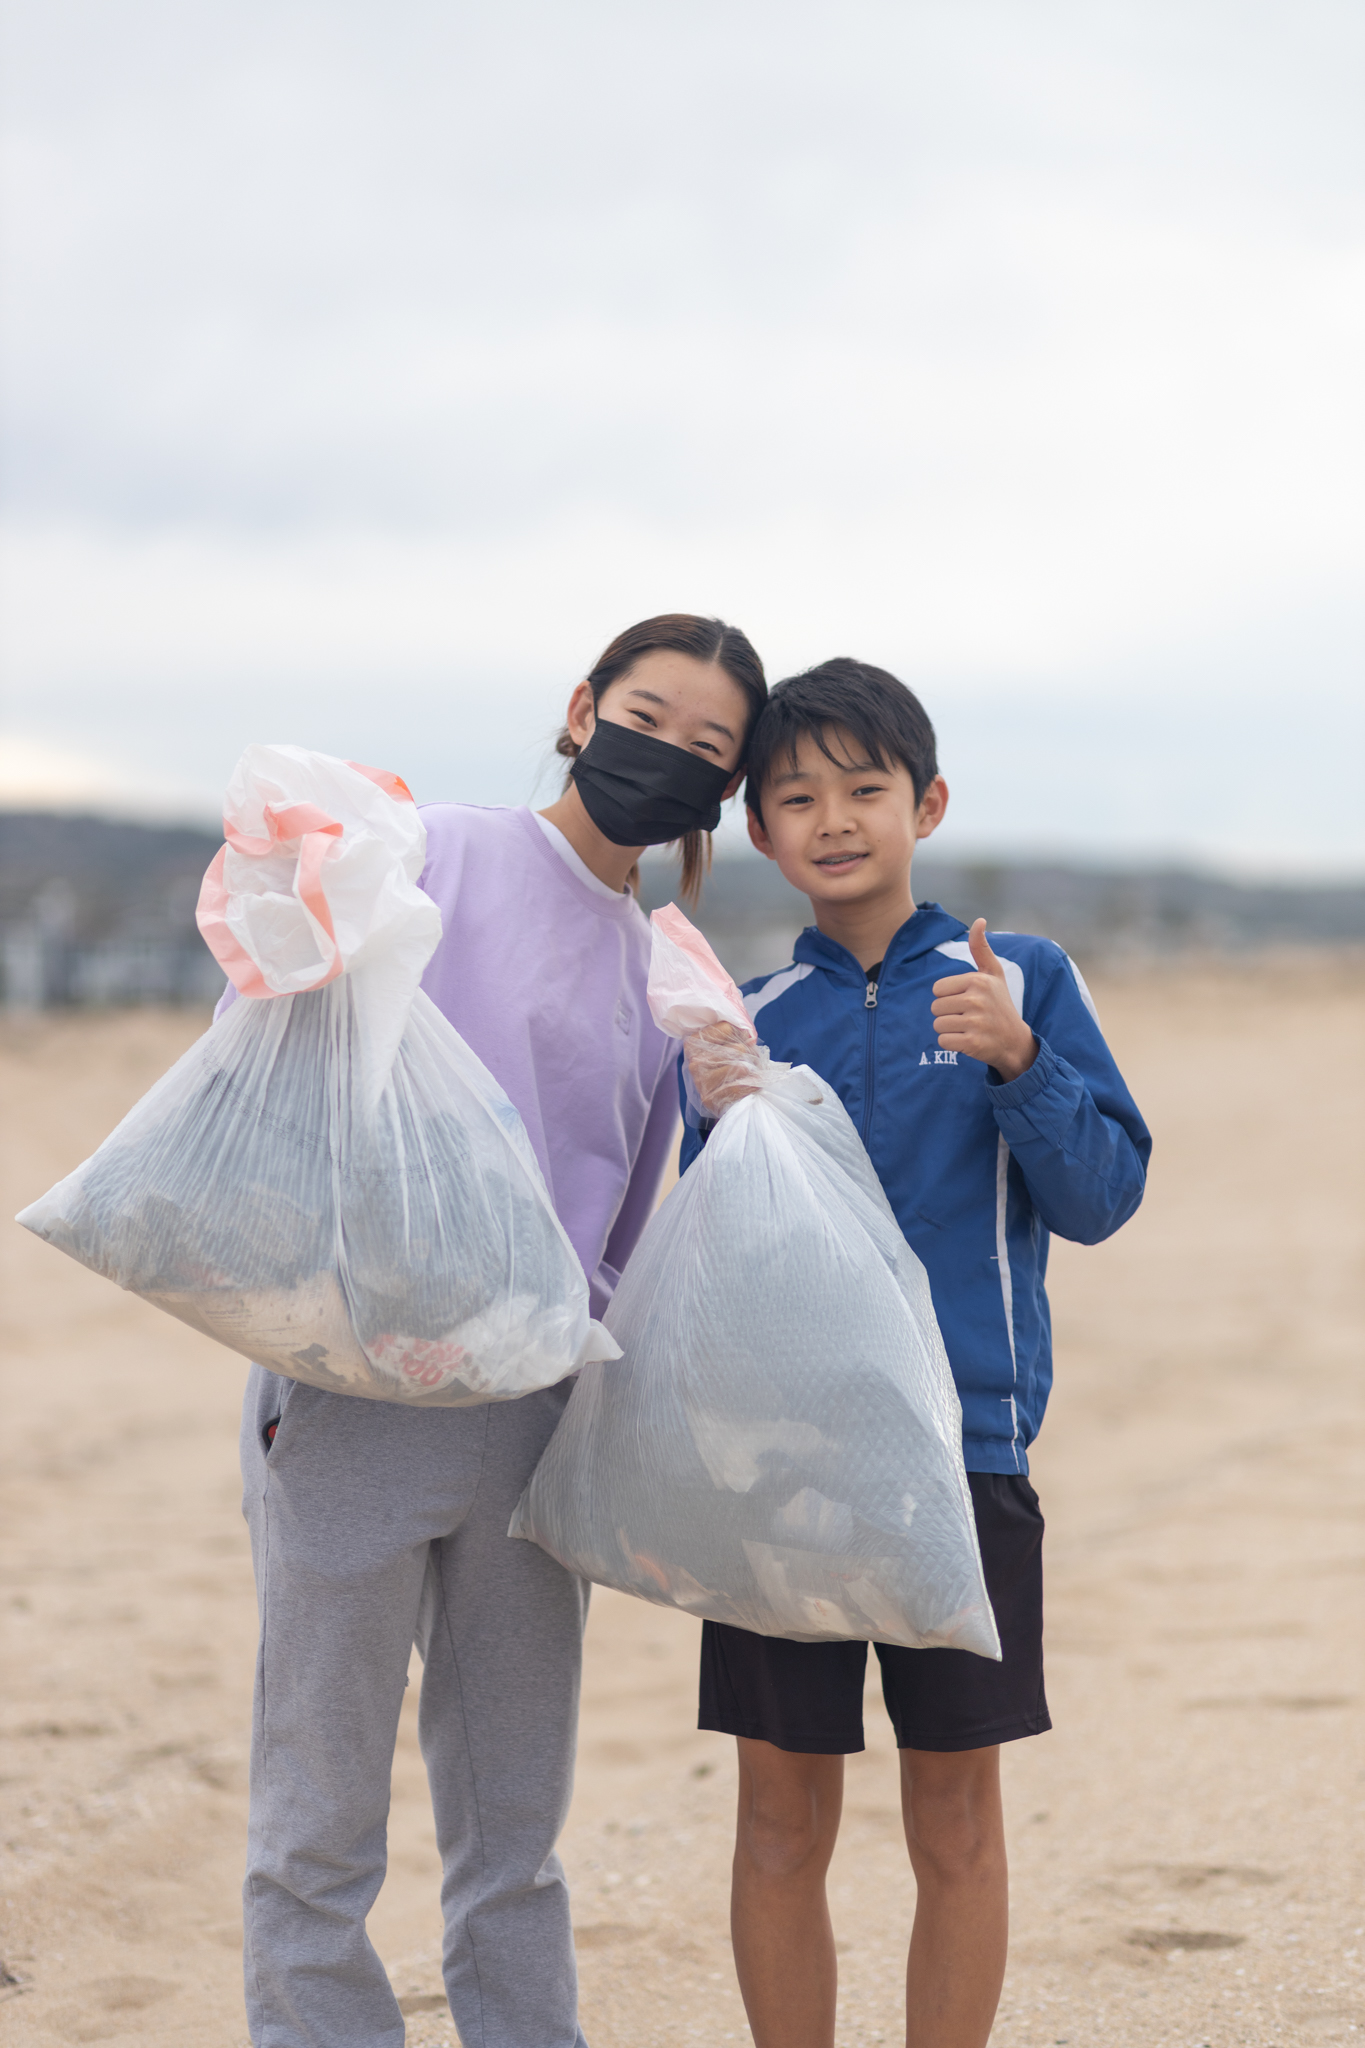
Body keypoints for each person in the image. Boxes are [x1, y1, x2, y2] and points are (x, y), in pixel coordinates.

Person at [228, 614, 767, 2048]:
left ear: (723, 792)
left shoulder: (668, 967)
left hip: (532, 1417)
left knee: (512, 1831)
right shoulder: (443, 852)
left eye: (708, 748)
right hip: (354, 1382)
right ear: (582, 710)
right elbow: (287, 1005)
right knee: (317, 1816)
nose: (668, 754)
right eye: (648, 716)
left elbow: (627, 1230)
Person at [679, 658, 1151, 2048]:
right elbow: (712, 1266)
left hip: (965, 1458)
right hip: (783, 1474)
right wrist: (714, 1122)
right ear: (759, 831)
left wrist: (1019, 1062)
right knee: (777, 1817)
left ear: (925, 803)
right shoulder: (749, 1020)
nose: (833, 819)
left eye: (864, 790)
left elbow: (1101, 1199)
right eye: (796, 797)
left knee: (951, 1818)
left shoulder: (1024, 980)